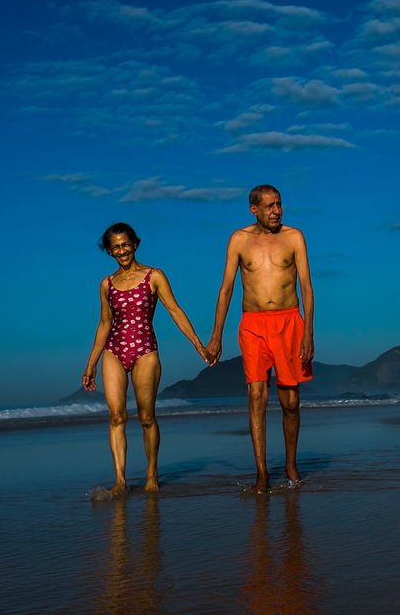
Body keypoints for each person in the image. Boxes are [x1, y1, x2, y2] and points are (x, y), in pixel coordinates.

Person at [82, 222, 212, 494]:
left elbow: (175, 311)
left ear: (135, 244)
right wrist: (91, 363)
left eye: (125, 244)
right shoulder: (106, 284)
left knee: (146, 417)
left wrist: (198, 345)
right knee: (116, 416)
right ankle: (120, 480)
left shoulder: (154, 276)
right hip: (113, 351)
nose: (121, 250)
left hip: (145, 352)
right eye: (115, 246)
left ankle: (152, 474)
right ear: (108, 251)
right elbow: (104, 324)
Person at [207, 185, 315, 494]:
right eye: (269, 206)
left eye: (279, 204)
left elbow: (306, 286)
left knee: (290, 402)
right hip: (253, 325)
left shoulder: (294, 237)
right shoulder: (239, 240)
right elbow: (226, 289)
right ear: (254, 209)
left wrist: (309, 331)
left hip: (290, 322)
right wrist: (217, 335)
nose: (277, 211)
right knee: (256, 397)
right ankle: (262, 473)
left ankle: (290, 463)